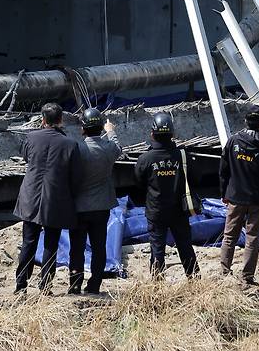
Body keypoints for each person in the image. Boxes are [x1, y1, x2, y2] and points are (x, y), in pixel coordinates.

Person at [14, 102, 82, 294]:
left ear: (43, 120)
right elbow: (75, 177)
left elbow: (27, 158)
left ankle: (20, 285)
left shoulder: (31, 137)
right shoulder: (70, 144)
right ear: (61, 120)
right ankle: (45, 286)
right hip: (55, 200)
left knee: (28, 242)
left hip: (30, 196)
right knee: (51, 244)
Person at [134, 111, 199, 279]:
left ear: (152, 134)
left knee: (157, 248)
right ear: (172, 134)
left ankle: (157, 284)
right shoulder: (183, 156)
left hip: (156, 211)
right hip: (179, 210)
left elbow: (139, 183)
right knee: (185, 246)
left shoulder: (145, 159)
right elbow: (195, 179)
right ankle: (195, 280)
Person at [219, 104, 259, 287]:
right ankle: (247, 277)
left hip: (235, 196)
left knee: (229, 236)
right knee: (252, 239)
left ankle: (224, 271)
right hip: (258, 200)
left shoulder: (233, 141)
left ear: (245, 120)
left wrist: (224, 193)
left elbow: (223, 170)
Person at [68, 108, 122, 296]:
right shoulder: (109, 148)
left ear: (83, 129)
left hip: (79, 207)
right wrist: (111, 130)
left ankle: (74, 285)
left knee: (76, 248)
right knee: (99, 247)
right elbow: (117, 146)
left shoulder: (77, 148)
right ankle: (94, 285)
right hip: (102, 206)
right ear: (101, 128)